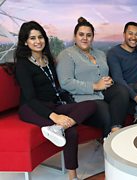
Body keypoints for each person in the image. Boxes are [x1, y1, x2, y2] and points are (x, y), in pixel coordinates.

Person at [14, 21, 97, 180]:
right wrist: (54, 116)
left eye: (40, 37)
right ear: (25, 41)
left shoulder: (47, 59)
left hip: (52, 104)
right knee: (71, 131)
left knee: (92, 106)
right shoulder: (23, 65)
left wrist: (67, 105)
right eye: (32, 38)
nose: (38, 41)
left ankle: (57, 128)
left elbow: (56, 87)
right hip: (31, 108)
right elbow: (30, 99)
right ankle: (73, 176)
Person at [56, 17, 129, 137]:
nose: (85, 38)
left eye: (88, 35)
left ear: (92, 37)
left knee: (122, 90)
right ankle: (109, 142)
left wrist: (107, 80)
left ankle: (115, 132)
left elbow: (103, 74)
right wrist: (95, 86)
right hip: (83, 98)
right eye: (81, 34)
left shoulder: (100, 54)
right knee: (106, 112)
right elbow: (66, 82)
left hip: (103, 92)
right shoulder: (66, 54)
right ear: (75, 36)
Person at [107, 21, 137, 124]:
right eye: (130, 33)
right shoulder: (113, 53)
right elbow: (118, 79)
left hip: (134, 87)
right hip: (120, 94)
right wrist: (136, 97)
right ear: (124, 34)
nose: (134, 37)